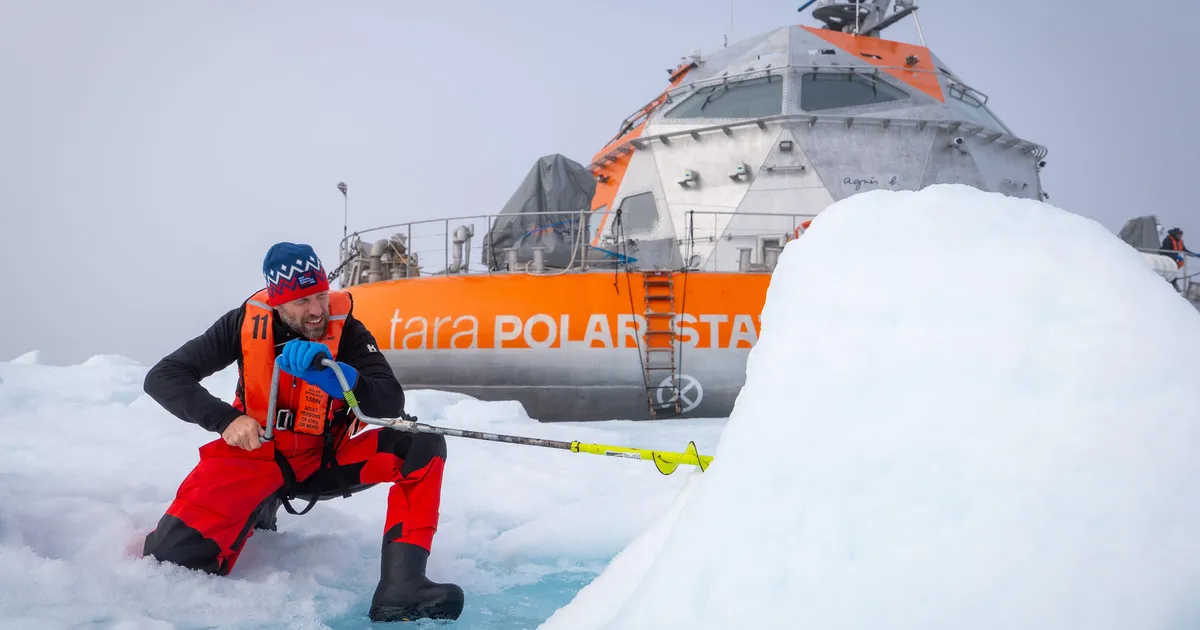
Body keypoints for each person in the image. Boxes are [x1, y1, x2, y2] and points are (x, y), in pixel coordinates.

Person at [140, 242, 464, 623]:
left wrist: (341, 377)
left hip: (323, 459)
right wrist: (225, 420)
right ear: (277, 302)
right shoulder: (243, 323)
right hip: (256, 454)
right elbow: (163, 376)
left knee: (421, 442)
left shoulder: (348, 331)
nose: (316, 310)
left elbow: (390, 401)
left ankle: (403, 586)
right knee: (169, 560)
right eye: (302, 301)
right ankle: (257, 507)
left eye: (321, 295)